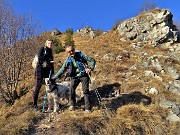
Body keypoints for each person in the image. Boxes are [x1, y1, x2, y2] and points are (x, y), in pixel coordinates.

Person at [52, 44, 96, 113]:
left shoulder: (81, 55)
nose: (71, 52)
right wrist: (54, 78)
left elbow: (92, 60)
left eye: (72, 50)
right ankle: (72, 104)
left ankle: (87, 108)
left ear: (74, 49)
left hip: (84, 74)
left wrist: (90, 68)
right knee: (71, 88)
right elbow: (62, 69)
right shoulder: (68, 60)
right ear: (67, 53)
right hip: (74, 76)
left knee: (85, 90)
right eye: (69, 52)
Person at [32, 39, 54, 110]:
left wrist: (52, 72)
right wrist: (48, 60)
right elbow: (40, 57)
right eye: (48, 43)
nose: (50, 45)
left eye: (51, 43)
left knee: (51, 85)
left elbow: (51, 64)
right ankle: (34, 105)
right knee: (38, 85)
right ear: (46, 44)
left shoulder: (51, 52)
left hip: (47, 70)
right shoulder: (42, 49)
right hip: (40, 69)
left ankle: (52, 103)